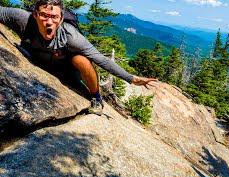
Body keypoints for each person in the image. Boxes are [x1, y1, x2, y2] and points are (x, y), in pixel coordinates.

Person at [0, 0, 157, 115]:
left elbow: (101, 59)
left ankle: (96, 98)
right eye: (44, 15)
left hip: (65, 68)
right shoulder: (22, 19)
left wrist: (131, 79)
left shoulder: (70, 36)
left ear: (61, 19)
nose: (49, 22)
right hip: (36, 58)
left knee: (82, 60)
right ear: (35, 14)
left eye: (54, 17)